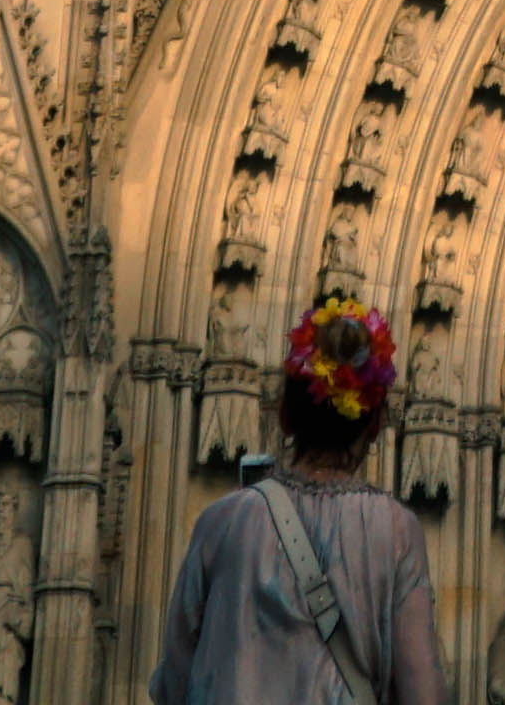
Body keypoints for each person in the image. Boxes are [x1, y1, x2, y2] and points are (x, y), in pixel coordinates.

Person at [150, 290, 445, 705]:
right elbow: (423, 694)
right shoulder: (396, 531)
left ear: (285, 415)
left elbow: (174, 684)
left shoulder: (220, 522)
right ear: (376, 424)